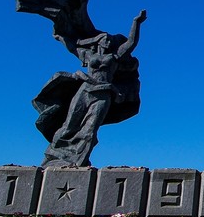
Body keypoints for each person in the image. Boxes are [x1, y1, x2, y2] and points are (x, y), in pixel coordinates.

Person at [36, 10, 146, 167]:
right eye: (104, 39)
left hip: (102, 95)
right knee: (69, 125)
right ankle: (54, 157)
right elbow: (71, 45)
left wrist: (137, 22)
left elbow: (131, 43)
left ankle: (78, 161)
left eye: (109, 40)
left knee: (89, 130)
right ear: (98, 42)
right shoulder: (88, 55)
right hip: (85, 91)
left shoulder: (115, 57)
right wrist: (60, 35)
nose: (107, 41)